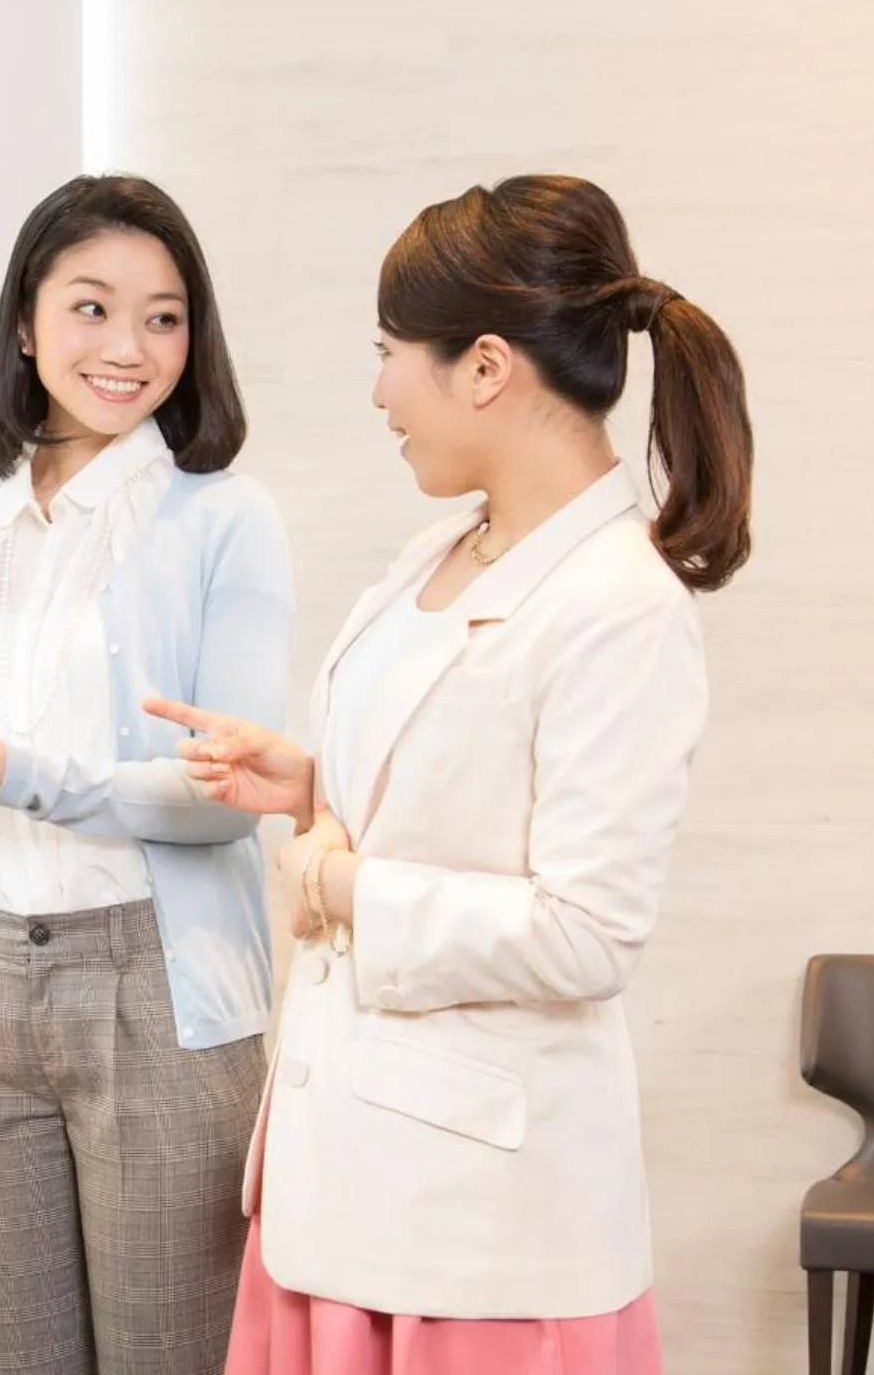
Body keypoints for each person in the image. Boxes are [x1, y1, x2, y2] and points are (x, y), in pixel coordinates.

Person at [149, 174, 753, 1375]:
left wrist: (344, 889)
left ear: (484, 367)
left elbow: (587, 931)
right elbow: (456, 795)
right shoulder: (445, 546)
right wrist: (309, 781)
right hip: (345, 1181)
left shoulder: (620, 603)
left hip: (478, 1238)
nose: (379, 392)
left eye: (389, 355)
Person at [0, 174, 294, 1375]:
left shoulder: (223, 521)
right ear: (24, 324)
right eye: (91, 308)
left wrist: (17, 773)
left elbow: (223, 796)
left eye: (164, 316)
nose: (128, 347)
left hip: (157, 989)